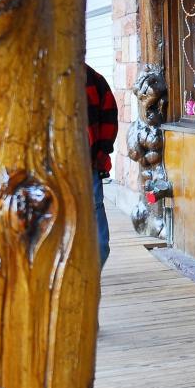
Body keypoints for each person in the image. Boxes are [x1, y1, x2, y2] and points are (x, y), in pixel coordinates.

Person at [86, 64, 118, 268]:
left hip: (87, 165)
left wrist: (101, 152)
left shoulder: (93, 79)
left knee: (99, 245)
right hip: (46, 171)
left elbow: (109, 115)